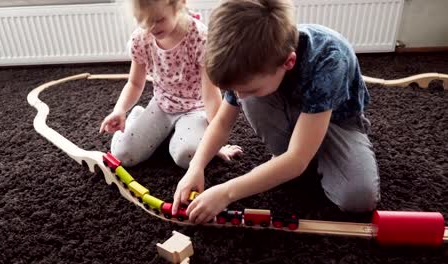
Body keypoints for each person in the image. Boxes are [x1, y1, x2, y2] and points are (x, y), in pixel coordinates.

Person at [172, 0, 380, 223]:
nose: (238, 97)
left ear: (289, 62)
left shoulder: (329, 58)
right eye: (235, 90)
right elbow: (222, 122)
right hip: (288, 109)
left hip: (336, 121)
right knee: (254, 101)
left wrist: (226, 192)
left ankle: (294, 160)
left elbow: (297, 159)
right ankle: (286, 158)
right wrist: (196, 167)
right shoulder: (247, 65)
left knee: (358, 199)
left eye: (248, 88)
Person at [100, 0, 242, 169]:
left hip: (195, 109)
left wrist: (216, 144)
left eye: (158, 19)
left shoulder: (201, 38)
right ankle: (139, 116)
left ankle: (181, 134)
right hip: (162, 105)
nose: (151, 27)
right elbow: (134, 83)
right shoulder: (141, 38)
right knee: (122, 155)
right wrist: (120, 110)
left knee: (187, 157)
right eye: (142, 21)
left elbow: (211, 95)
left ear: (180, 4)